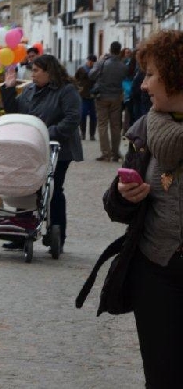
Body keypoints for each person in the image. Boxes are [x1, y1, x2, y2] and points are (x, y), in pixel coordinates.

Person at [94, 29, 183, 387]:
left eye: (150, 75)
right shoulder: (144, 129)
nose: (143, 85)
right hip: (157, 274)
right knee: (162, 378)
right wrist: (123, 194)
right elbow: (114, 206)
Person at [2, 55, 83, 252]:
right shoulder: (30, 90)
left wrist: (47, 132)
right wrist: (8, 89)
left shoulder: (66, 90)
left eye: (37, 70)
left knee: (54, 189)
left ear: (49, 71)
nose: (33, 74)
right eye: (32, 71)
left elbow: (73, 118)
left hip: (58, 149)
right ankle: (22, 232)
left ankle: (57, 235)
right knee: (26, 186)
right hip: (32, 148)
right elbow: (14, 112)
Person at [89, 41, 129, 161]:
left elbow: (91, 75)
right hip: (117, 97)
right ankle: (115, 153)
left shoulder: (103, 62)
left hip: (102, 97)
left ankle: (105, 153)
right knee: (116, 126)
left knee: (102, 125)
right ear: (119, 50)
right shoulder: (123, 66)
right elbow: (125, 77)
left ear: (110, 49)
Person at [75, 54, 98, 141]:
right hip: (83, 95)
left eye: (92, 62)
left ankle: (92, 134)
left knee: (93, 116)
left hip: (93, 95)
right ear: (88, 60)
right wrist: (79, 87)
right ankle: (83, 133)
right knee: (83, 114)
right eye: (90, 61)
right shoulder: (81, 69)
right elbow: (76, 78)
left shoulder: (95, 70)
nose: (91, 63)